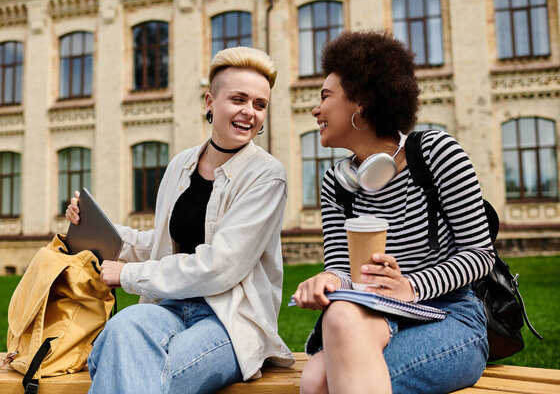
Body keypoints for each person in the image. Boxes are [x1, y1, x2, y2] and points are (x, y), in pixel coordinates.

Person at [66, 46, 294, 394]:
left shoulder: (267, 176)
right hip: (170, 306)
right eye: (238, 99)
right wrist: (95, 226)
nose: (250, 112)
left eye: (260, 104)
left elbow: (221, 265)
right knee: (122, 329)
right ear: (209, 102)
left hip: (230, 320)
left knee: (121, 362)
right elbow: (162, 242)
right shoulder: (181, 164)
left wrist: (127, 274)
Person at [292, 31, 494, 394]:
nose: (315, 109)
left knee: (320, 383)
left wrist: (411, 286)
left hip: (450, 314)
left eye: (325, 97)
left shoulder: (436, 153)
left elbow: (480, 255)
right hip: (374, 314)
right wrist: (331, 281)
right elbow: (342, 268)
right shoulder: (336, 181)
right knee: (328, 339)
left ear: (361, 102)